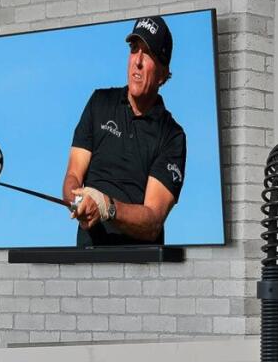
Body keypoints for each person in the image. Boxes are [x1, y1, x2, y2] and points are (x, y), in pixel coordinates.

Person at [63, 15, 189, 245]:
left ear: (162, 72)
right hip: (87, 264)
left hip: (142, 268)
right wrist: (77, 199)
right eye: (133, 49)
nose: (137, 61)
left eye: (147, 53)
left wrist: (106, 207)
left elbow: (153, 221)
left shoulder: (172, 136)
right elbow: (73, 175)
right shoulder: (99, 103)